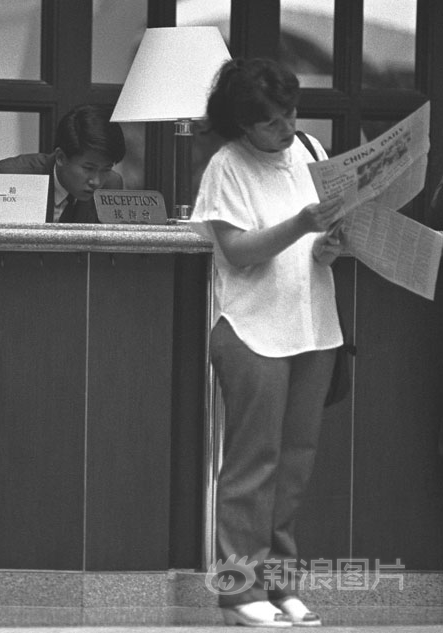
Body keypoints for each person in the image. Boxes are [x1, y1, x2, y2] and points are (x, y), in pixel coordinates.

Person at [190, 58, 346, 628]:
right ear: (242, 124)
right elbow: (237, 251)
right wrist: (302, 225)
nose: (286, 128)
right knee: (251, 465)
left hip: (314, 325)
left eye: (290, 113)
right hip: (252, 329)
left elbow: (319, 242)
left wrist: (328, 245)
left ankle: (281, 585)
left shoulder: (310, 149)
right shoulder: (226, 166)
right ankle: (238, 592)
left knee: (295, 465)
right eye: (271, 121)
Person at [0, 104, 126, 223]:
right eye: (89, 168)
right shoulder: (9, 178)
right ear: (60, 158)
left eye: (106, 169)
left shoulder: (110, 185)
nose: (96, 181)